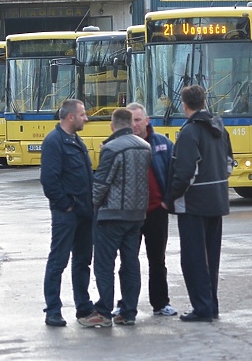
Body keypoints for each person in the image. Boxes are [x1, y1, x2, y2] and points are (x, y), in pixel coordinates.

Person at [165, 84, 233, 322]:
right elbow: (228, 165)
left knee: (193, 259)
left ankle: (202, 307)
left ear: (184, 105)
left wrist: (169, 198)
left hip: (193, 204)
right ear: (204, 102)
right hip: (217, 201)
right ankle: (211, 305)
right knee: (211, 258)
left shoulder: (189, 132)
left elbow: (184, 173)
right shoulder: (220, 129)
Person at [80, 108, 151, 328]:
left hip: (111, 215)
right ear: (131, 124)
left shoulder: (111, 149)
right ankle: (128, 312)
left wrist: (91, 207)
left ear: (112, 125)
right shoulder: (145, 147)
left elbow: (101, 184)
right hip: (136, 215)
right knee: (131, 264)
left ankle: (103, 312)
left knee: (104, 265)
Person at [119, 102, 177, 317]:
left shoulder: (162, 143)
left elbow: (175, 174)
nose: (134, 125)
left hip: (156, 212)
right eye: (130, 120)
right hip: (130, 214)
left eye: (137, 120)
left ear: (147, 120)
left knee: (157, 260)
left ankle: (161, 303)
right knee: (128, 261)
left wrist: (167, 201)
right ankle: (125, 303)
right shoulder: (121, 144)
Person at [40, 98, 94, 327]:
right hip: (67, 214)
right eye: (83, 115)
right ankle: (53, 310)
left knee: (82, 261)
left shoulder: (76, 141)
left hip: (84, 212)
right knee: (58, 261)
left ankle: (83, 307)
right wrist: (65, 205)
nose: (86, 118)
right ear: (71, 116)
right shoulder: (55, 142)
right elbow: (49, 179)